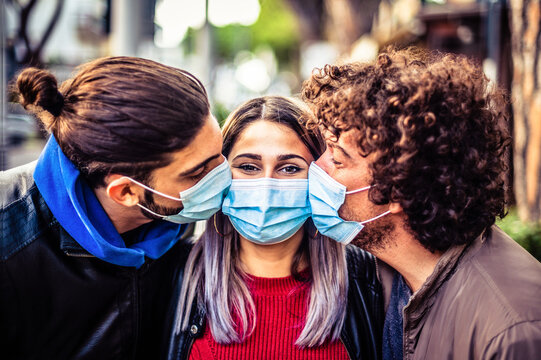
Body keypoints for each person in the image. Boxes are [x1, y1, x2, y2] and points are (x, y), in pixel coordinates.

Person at [301, 48, 541, 359]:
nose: (316, 167)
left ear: (398, 187)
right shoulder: (384, 275)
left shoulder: (511, 333)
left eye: (336, 158)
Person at [0, 57, 231, 359]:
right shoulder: (9, 245)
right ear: (125, 192)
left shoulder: (170, 211)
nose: (221, 177)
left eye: (219, 155)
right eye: (198, 173)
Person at [164, 96, 383, 360]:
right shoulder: (170, 273)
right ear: (220, 175)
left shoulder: (369, 278)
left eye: (289, 168)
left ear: (318, 178)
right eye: (248, 167)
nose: (267, 184)